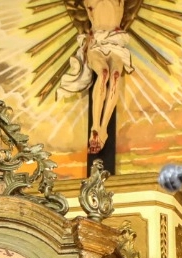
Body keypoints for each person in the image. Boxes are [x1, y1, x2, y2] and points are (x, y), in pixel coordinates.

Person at [59, 0, 131, 153]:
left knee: (115, 75)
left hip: (116, 40)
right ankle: (95, 126)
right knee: (104, 73)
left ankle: (103, 128)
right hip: (97, 41)